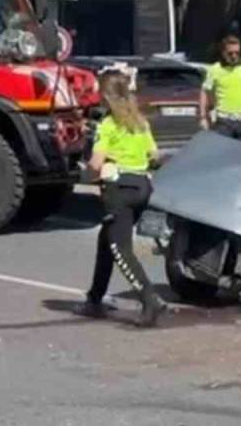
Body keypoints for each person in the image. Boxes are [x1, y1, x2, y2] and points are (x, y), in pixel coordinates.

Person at [82, 71, 164, 327]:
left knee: (121, 250)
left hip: (120, 189)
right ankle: (95, 298)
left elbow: (95, 164)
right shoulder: (140, 122)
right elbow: (155, 156)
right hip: (142, 186)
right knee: (107, 239)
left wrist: (86, 168)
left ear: (105, 97)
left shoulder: (108, 124)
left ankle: (150, 299)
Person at [199, 35, 241, 141]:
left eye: (237, 53)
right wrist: (203, 117)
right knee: (224, 154)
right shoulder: (215, 69)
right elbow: (205, 92)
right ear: (223, 52)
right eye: (230, 53)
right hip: (224, 122)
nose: (234, 56)